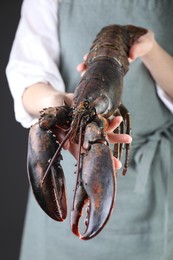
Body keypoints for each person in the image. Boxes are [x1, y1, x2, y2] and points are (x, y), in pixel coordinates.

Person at [6, 0, 173, 260]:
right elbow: (27, 76)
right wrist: (55, 102)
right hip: (64, 191)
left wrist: (149, 49)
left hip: (152, 187)